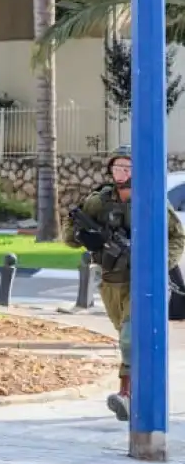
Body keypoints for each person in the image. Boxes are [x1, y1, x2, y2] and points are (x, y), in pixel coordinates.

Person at [62, 144, 185, 422]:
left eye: (127, 168)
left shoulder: (151, 200)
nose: (121, 173)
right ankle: (138, 391)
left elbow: (177, 238)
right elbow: (69, 236)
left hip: (141, 283)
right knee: (128, 341)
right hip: (110, 283)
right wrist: (85, 237)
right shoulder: (98, 201)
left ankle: (127, 395)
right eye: (117, 167)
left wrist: (156, 266)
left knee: (131, 338)